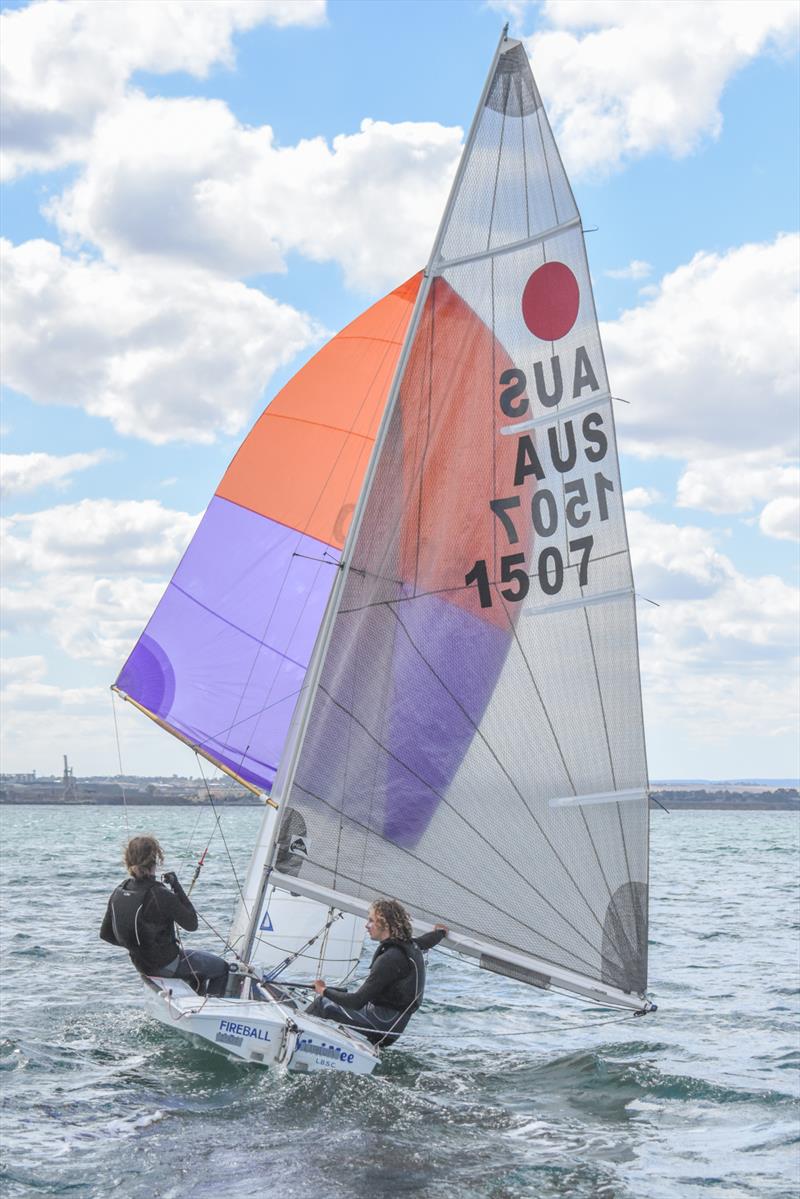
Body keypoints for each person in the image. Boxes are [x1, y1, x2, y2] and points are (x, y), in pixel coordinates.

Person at [305, 897, 447, 1046]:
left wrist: (323, 990)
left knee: (323, 1003)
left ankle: (295, 1032)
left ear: (386, 925)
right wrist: (440, 933)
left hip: (380, 1026)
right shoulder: (411, 945)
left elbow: (356, 1002)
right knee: (335, 998)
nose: (367, 925)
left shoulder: (390, 959)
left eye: (371, 921)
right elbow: (427, 940)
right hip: (391, 1025)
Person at [100, 834, 229, 998]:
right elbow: (192, 924)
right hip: (167, 965)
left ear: (127, 860)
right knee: (223, 968)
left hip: (141, 966)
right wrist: (176, 886)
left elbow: (105, 935)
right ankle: (211, 1012)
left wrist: (137, 947)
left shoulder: (119, 891)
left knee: (196, 971)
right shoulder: (159, 893)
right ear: (155, 860)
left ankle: (193, 996)